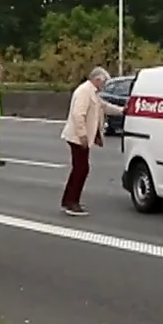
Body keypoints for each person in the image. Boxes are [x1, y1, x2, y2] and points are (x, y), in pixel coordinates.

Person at [59, 67, 108, 217]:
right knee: (81, 169)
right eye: (104, 81)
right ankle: (72, 202)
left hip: (80, 137)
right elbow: (78, 114)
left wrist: (122, 110)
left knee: (79, 168)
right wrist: (83, 136)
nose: (104, 85)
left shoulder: (91, 92)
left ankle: (68, 200)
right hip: (77, 137)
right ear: (97, 79)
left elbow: (103, 107)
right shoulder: (84, 92)